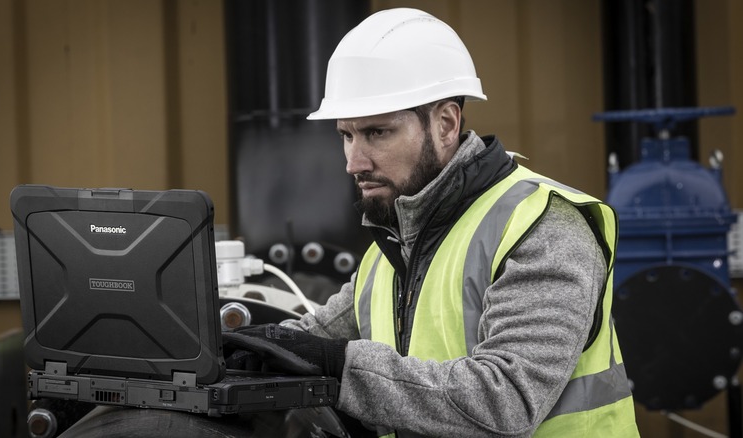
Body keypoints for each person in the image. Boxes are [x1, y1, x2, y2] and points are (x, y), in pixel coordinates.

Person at [221, 7, 640, 437]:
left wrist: (338, 364)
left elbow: (508, 400)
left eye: (376, 133)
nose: (353, 162)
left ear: (445, 124)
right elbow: (308, 338)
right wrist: (234, 350)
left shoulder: (543, 228)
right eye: (346, 135)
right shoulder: (394, 246)